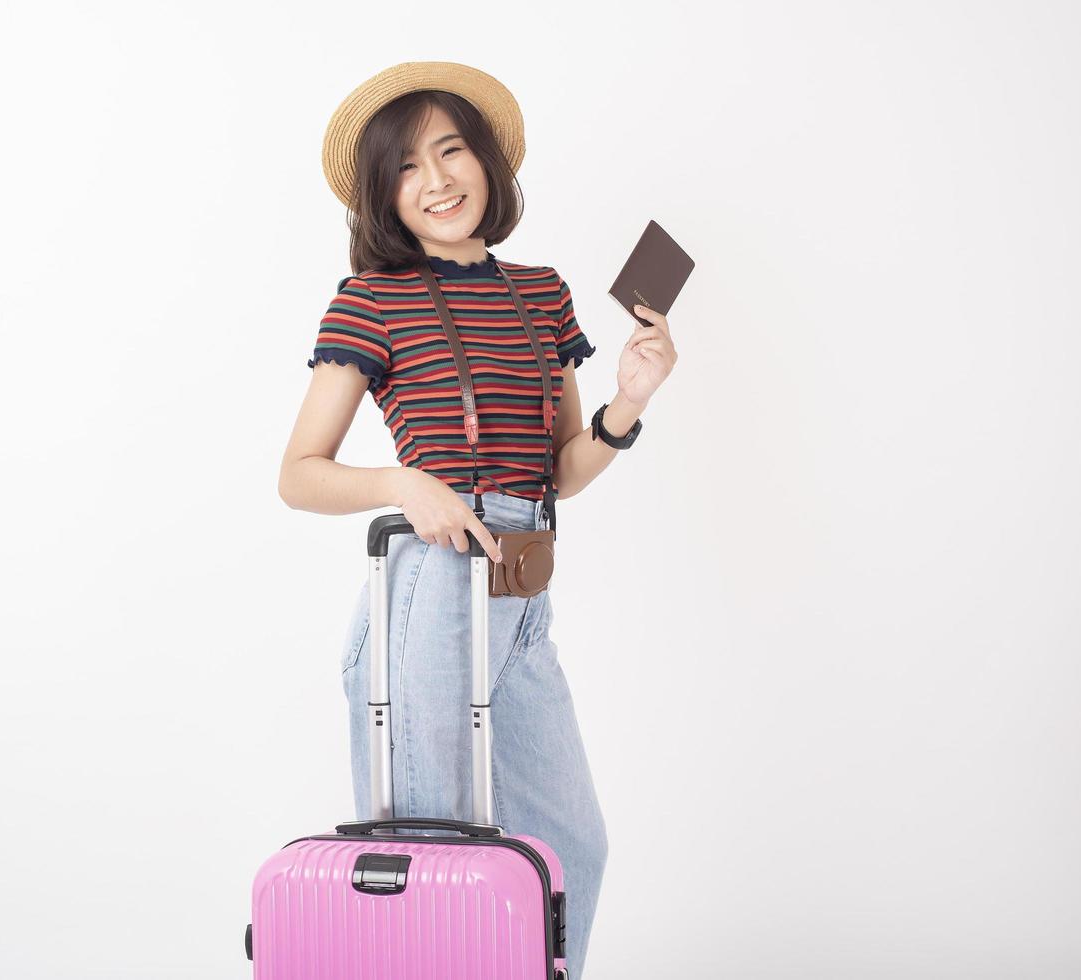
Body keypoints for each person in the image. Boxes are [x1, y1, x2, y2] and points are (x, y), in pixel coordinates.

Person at [278, 61, 677, 979]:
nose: (438, 180)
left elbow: (563, 470)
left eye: (453, 151)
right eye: (407, 167)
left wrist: (628, 402)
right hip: (432, 586)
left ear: (490, 165)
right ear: (385, 195)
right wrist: (402, 483)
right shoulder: (372, 300)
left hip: (524, 590)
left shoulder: (541, 293)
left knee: (569, 842)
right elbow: (299, 476)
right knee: (440, 861)